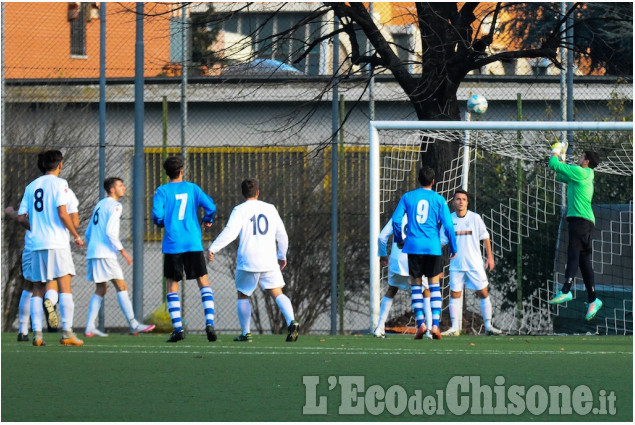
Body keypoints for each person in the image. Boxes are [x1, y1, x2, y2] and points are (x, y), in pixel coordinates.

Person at [207, 178, 299, 343]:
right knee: (277, 292)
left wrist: (214, 248)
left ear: (243, 193)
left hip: (248, 260)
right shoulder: (270, 208)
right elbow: (282, 234)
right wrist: (282, 255)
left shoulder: (239, 210)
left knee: (243, 294)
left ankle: (246, 333)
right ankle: (292, 321)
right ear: (258, 192)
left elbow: (230, 232)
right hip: (269, 260)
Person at [16, 150, 84, 346]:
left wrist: (36, 228)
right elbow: (63, 213)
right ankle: (67, 332)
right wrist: (76, 235)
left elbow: (21, 217)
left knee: (37, 288)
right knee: (64, 286)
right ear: (60, 165)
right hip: (56, 243)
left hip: (36, 244)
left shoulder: (31, 186)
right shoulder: (60, 184)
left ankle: (37, 335)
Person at [152, 155, 218, 343]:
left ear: (167, 173)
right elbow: (211, 206)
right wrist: (207, 220)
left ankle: (178, 329)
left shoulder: (162, 191)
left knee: (172, 284)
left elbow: (157, 215)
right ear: (182, 171)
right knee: (203, 281)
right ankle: (210, 323)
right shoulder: (192, 188)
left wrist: (163, 222)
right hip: (192, 242)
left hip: (173, 243)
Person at [84, 177, 156, 337]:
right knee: (122, 287)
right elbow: (110, 232)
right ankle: (134, 324)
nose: (124, 187)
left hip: (94, 253)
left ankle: (89, 327)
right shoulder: (116, 206)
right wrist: (123, 251)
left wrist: (93, 246)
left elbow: (88, 232)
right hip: (105, 254)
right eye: (120, 185)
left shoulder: (100, 204)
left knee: (101, 289)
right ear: (112, 189)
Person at [392, 167, 457, 340]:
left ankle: (421, 323)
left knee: (416, 285)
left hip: (413, 247)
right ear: (433, 181)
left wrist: (399, 238)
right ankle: (435, 325)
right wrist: (453, 247)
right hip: (433, 247)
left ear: (418, 180)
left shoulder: (408, 197)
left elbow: (397, 220)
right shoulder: (439, 199)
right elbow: (449, 226)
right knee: (435, 285)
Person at [547, 143, 603, 321]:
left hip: (580, 220)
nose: (578, 158)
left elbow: (553, 165)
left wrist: (556, 150)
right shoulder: (581, 175)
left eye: (581, 156)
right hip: (583, 221)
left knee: (573, 252)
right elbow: (561, 175)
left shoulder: (581, 172)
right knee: (583, 260)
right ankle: (593, 299)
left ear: (586, 161)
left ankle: (565, 290)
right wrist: (561, 158)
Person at [440, 189, 502, 336]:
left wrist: (490, 257)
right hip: (456, 264)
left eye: (463, 199)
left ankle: (488, 326)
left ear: (467, 202)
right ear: (453, 202)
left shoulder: (475, 218)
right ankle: (455, 328)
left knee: (483, 292)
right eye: (458, 199)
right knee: (455, 294)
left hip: (474, 263)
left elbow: (485, 236)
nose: (460, 202)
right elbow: (441, 242)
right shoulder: (448, 219)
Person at [375, 216, 432, 339]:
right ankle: (430, 329)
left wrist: (383, 254)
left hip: (397, 260)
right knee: (425, 291)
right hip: (415, 259)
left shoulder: (397, 216)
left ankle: (379, 328)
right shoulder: (423, 216)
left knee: (392, 289)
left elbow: (381, 237)